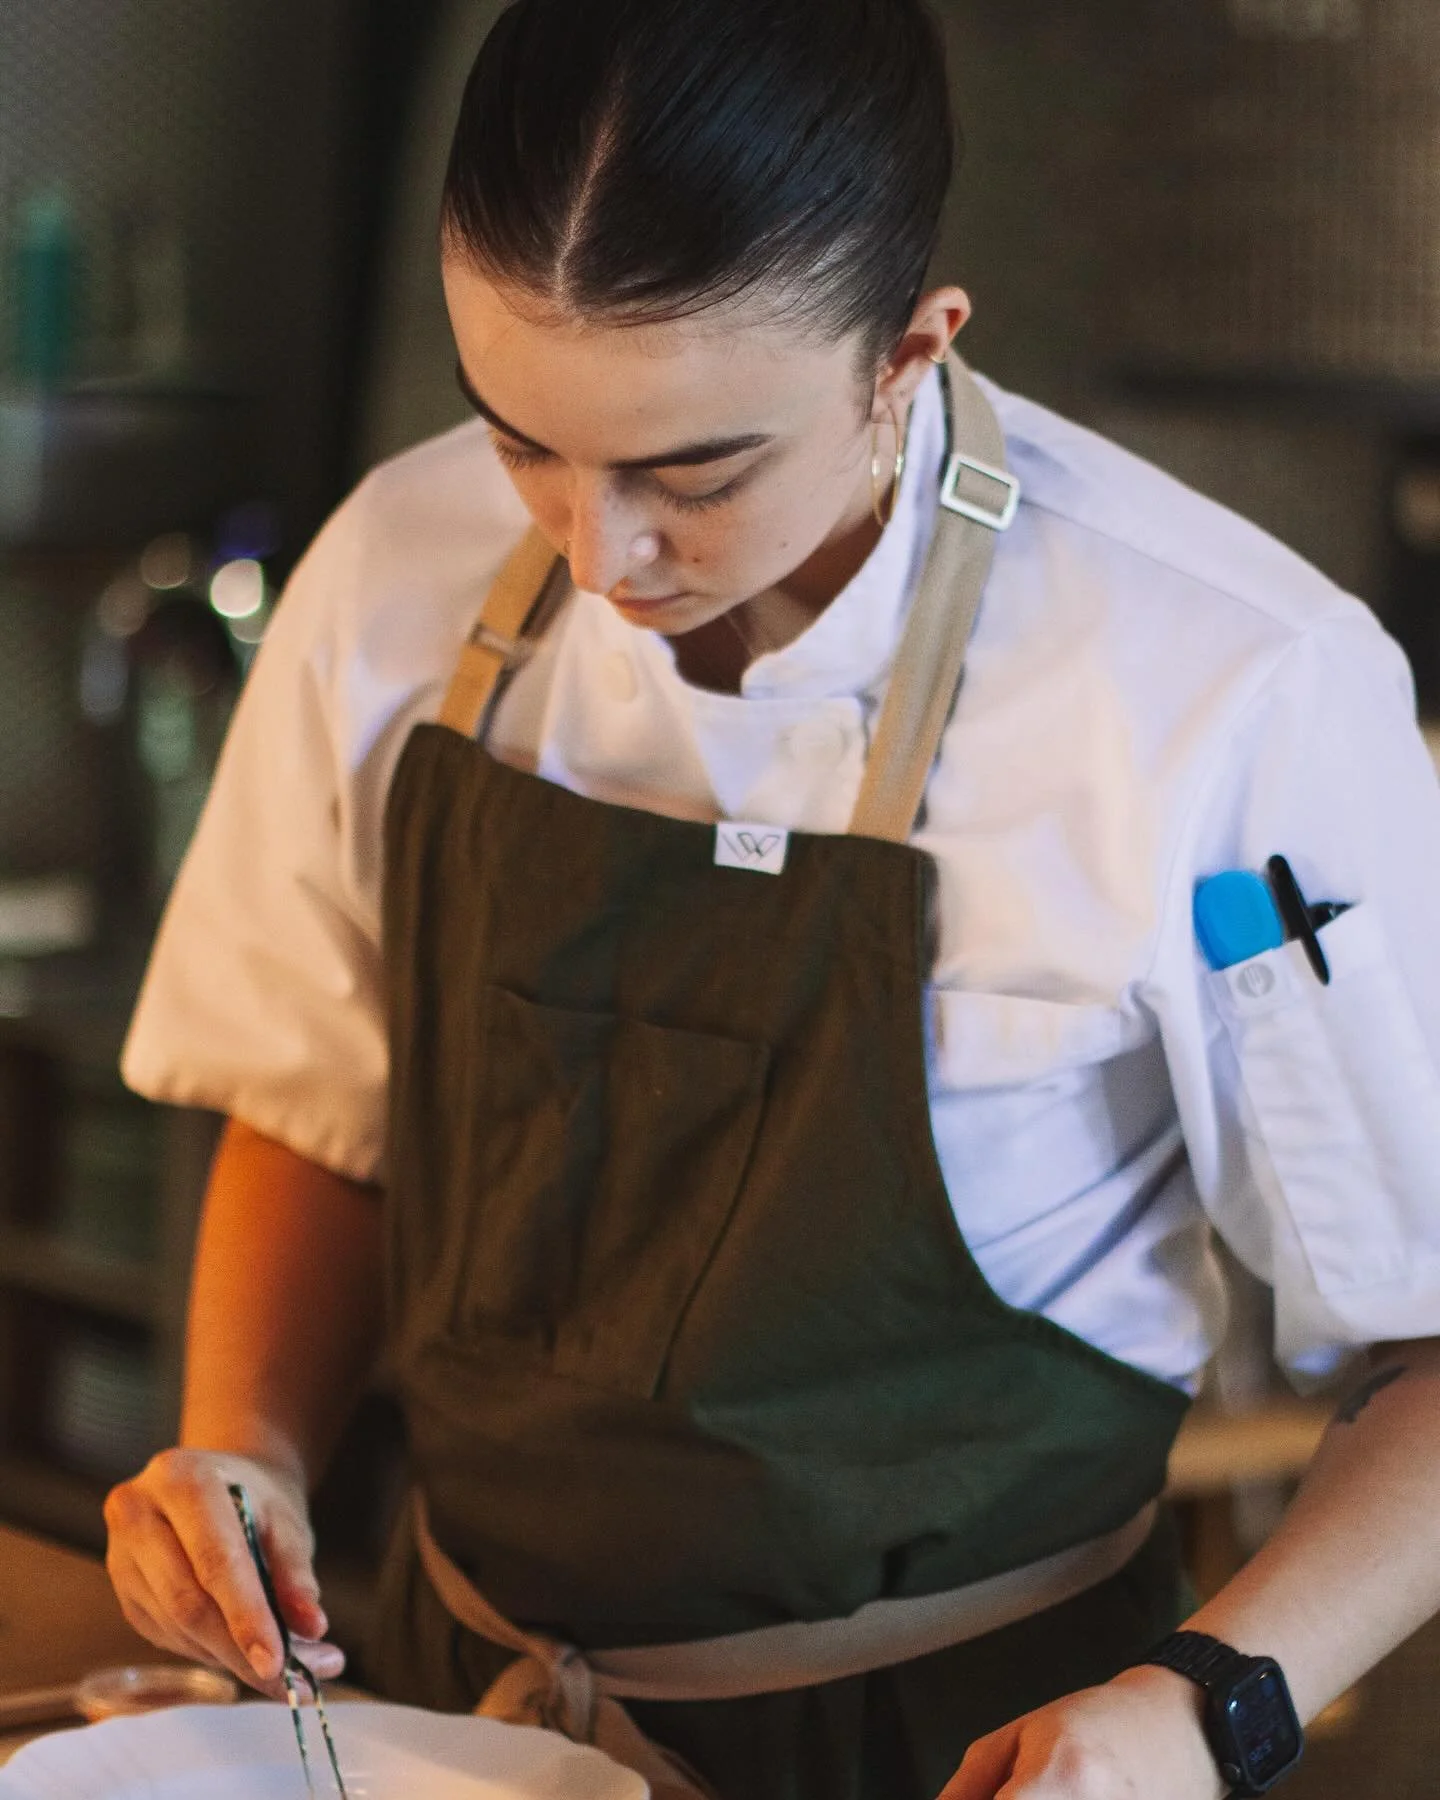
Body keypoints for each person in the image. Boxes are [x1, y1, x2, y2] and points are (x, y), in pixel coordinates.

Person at [103, 1, 1440, 1796]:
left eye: (695, 473)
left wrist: (1213, 1703)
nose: (595, 552)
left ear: (908, 348)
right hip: (450, 1724)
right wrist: (241, 1442)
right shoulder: (400, 568)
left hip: (984, 1748)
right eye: (519, 437)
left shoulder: (1228, 689)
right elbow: (321, 1106)